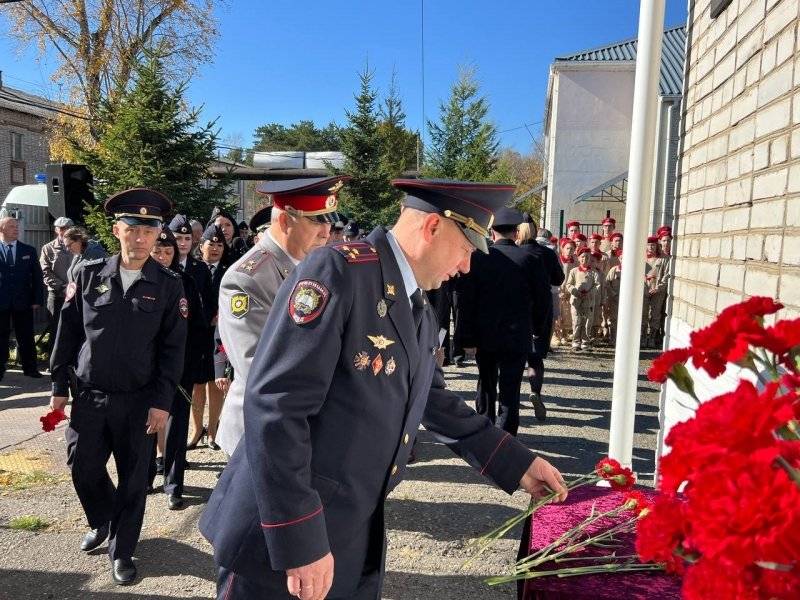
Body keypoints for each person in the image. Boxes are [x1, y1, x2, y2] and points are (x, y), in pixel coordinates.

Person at [199, 178, 568, 600]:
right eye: (467, 249)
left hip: (349, 528)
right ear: (433, 227)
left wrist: (517, 462)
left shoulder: (416, 305)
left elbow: (432, 398)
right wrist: (299, 539)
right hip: (284, 535)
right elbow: (276, 408)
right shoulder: (339, 271)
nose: (467, 266)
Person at [49, 188, 186, 585]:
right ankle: (103, 518)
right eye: (133, 228)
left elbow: (172, 351)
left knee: (134, 478)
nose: (141, 237)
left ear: (157, 233)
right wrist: (60, 384)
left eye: (150, 230)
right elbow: (69, 331)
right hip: (90, 395)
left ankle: (122, 550)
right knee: (82, 466)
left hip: (140, 401)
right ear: (117, 231)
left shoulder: (167, 284)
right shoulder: (88, 274)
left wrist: (162, 403)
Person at [216, 176, 345, 456]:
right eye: (316, 221)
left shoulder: (315, 266)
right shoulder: (247, 278)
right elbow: (257, 367)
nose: (326, 232)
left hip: (305, 425)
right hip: (262, 431)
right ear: (286, 221)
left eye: (328, 222)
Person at [457, 207, 542, 435]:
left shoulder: (478, 258)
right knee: (510, 389)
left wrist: (465, 338)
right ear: (516, 233)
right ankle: (505, 437)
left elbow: (466, 301)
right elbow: (542, 299)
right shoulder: (531, 258)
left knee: (486, 384)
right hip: (517, 335)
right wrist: (540, 330)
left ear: (492, 232)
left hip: (485, 335)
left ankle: (484, 430)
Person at [147, 226, 205, 509]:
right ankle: (145, 477)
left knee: (176, 428)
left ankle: (173, 485)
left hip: (179, 370)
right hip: (143, 370)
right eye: (157, 251)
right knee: (143, 427)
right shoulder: (138, 279)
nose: (161, 256)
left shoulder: (185, 282)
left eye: (167, 252)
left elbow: (197, 329)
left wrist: (191, 368)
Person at [517, 220, 564, 421]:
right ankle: (535, 390)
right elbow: (558, 279)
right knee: (535, 357)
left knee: (516, 356)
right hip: (542, 309)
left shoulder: (514, 253)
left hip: (517, 310)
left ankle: (511, 394)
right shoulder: (547, 253)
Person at [190, 224, 229, 450]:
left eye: (219, 245)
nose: (215, 248)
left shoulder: (228, 271)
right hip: (196, 334)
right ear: (201, 246)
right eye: (210, 244)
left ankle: (214, 430)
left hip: (219, 335)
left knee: (216, 383)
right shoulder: (193, 269)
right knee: (196, 385)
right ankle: (196, 430)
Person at [0, 215, 45, 381]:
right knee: (1, 337)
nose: (16, 229)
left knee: (26, 336)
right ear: (1, 229)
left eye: (16, 226)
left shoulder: (28, 250)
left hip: (23, 301)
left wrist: (37, 300)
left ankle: (30, 368)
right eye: (12, 226)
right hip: (1, 302)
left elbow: (37, 277)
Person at [40, 216, 75, 357]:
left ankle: (72, 360)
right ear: (56, 230)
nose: (64, 231)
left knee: (74, 328)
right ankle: (54, 362)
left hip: (76, 295)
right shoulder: (48, 248)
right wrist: (63, 286)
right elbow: (45, 272)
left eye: (67, 228)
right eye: (61, 228)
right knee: (56, 329)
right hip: (57, 295)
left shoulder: (80, 246)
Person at [565, 246, 600, 351]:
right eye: (583, 257)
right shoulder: (574, 271)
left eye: (587, 257)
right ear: (579, 258)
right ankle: (576, 342)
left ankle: (585, 342)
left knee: (587, 322)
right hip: (576, 301)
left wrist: (589, 293)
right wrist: (576, 292)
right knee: (576, 321)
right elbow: (569, 284)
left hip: (588, 302)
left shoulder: (594, 272)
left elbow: (597, 285)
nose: (585, 259)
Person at [643, 235, 669, 349]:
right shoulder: (644, 259)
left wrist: (659, 287)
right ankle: (643, 336)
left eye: (653, 245)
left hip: (657, 290)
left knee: (655, 314)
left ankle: (652, 337)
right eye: (648, 245)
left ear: (657, 246)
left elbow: (666, 275)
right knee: (643, 313)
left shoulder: (662, 259)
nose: (651, 247)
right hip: (645, 290)